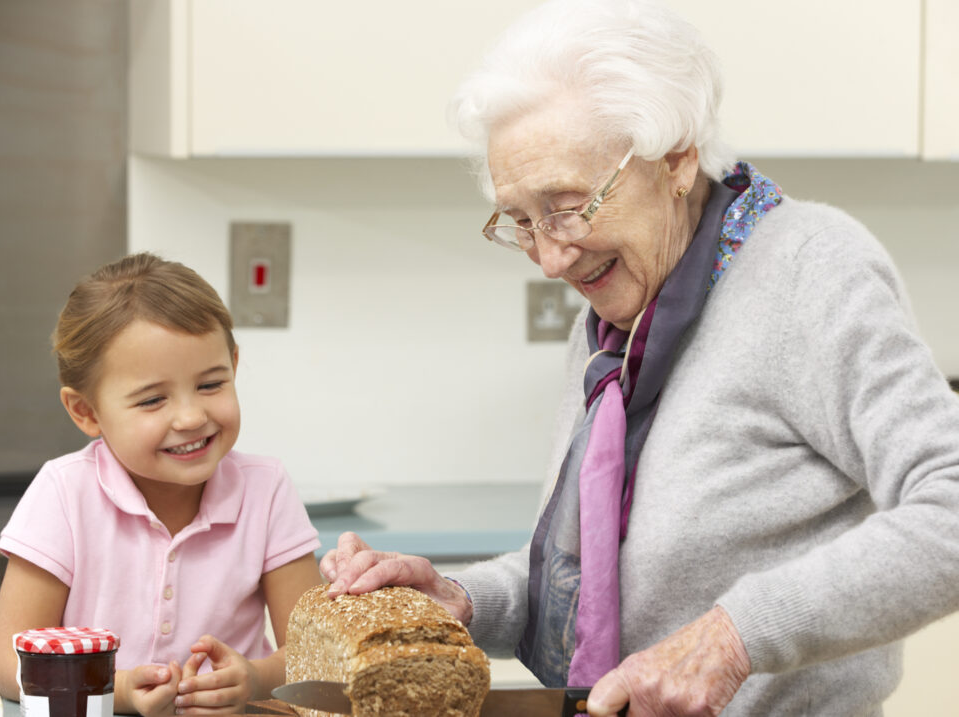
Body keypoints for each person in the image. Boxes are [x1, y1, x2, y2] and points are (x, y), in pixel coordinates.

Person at [320, 0, 959, 715]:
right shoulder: (613, 325)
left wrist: (732, 638)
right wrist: (460, 597)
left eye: (567, 205)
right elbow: (596, 578)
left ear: (677, 159)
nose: (550, 258)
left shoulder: (808, 270)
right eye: (521, 221)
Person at [0, 253, 323, 716]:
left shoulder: (266, 491)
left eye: (210, 385)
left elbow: (316, 656)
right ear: (86, 411)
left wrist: (253, 679)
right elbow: (9, 660)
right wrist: (117, 690)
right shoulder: (64, 493)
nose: (191, 417)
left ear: (234, 365)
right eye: (152, 400)